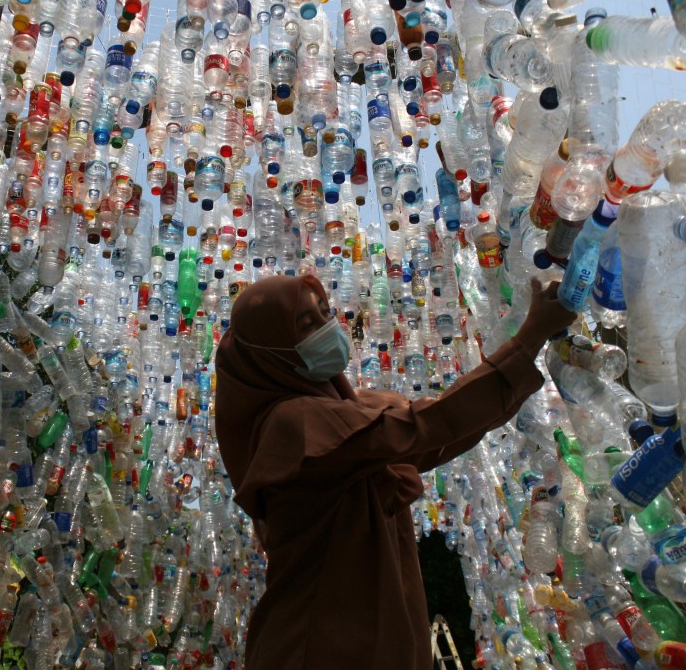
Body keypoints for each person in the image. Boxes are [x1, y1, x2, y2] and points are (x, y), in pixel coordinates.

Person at [214, 273, 576, 669]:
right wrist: (529, 336)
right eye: (306, 325)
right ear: (271, 350)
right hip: (318, 643)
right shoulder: (294, 425)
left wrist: (526, 354)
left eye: (324, 313)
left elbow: (445, 433)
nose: (327, 329)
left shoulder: (347, 415)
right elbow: (431, 424)